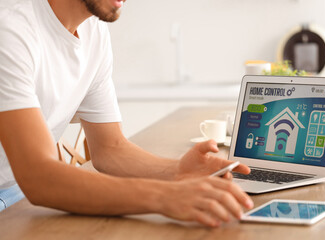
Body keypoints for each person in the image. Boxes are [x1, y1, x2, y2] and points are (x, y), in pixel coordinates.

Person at [0, 0, 253, 227]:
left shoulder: (94, 34)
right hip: (23, 191)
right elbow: (39, 178)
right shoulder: (10, 29)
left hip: (20, 195)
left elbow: (110, 148)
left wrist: (177, 172)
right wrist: (163, 196)